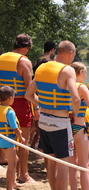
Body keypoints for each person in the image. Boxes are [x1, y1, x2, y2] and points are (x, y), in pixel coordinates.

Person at [25, 40, 80, 190]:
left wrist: (42, 105)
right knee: (63, 163)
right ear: (70, 54)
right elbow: (76, 98)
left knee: (50, 162)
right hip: (60, 123)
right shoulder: (67, 70)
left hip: (44, 121)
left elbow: (28, 94)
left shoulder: (42, 68)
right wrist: (74, 113)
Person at [0, 33, 36, 183]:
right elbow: (29, 90)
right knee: (23, 140)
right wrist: (37, 108)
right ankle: (23, 174)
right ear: (27, 47)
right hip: (19, 103)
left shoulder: (1, 58)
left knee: (3, 134)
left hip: (1, 103)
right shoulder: (24, 62)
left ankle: (3, 161)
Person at [69, 62, 89, 190]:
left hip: (67, 127)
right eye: (85, 72)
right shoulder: (82, 87)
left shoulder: (66, 86)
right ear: (80, 72)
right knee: (83, 166)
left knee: (71, 166)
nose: (86, 75)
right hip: (80, 127)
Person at [0, 85, 25, 190]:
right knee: (12, 164)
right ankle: (9, 187)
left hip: (2, 140)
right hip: (7, 141)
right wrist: (21, 137)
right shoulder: (9, 111)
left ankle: (13, 182)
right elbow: (15, 128)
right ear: (10, 98)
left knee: (16, 159)